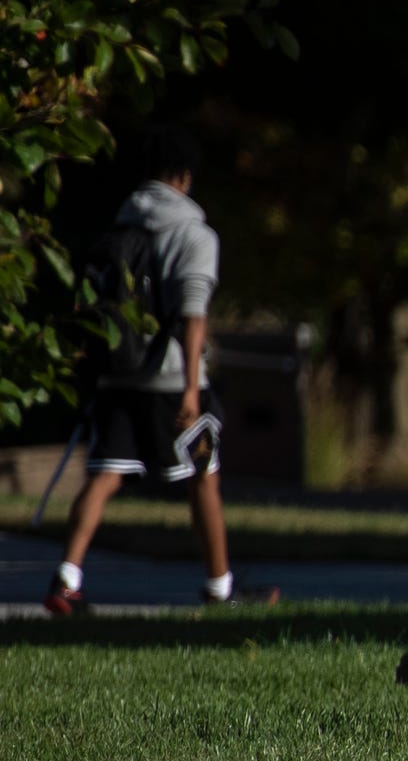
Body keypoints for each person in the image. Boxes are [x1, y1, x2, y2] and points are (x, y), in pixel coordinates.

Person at [44, 124, 274, 614]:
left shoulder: (119, 229)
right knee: (203, 474)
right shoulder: (193, 235)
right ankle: (219, 587)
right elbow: (194, 316)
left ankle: (66, 579)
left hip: (117, 375)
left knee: (104, 475)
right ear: (185, 177)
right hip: (172, 380)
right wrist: (191, 389)